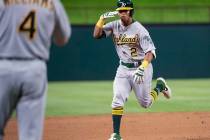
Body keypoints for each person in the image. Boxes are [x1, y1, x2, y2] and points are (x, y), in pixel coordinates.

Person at [93, 0, 172, 140]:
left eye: (125, 10)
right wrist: (101, 20)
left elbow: (150, 52)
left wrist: (143, 67)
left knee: (145, 103)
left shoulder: (140, 29)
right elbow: (97, 35)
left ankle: (160, 87)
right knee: (117, 99)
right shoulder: (114, 25)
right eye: (120, 11)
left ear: (130, 12)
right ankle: (116, 134)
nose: (122, 13)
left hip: (141, 68)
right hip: (123, 68)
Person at [0, 0, 71, 139]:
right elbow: (63, 38)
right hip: (35, 69)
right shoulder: (53, 2)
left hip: (3, 66)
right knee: (30, 135)